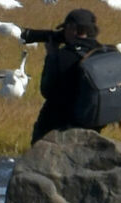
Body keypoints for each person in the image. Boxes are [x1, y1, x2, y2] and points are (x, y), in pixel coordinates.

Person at [20, 8, 106, 145]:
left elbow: (47, 90)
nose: (62, 34)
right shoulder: (103, 53)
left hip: (61, 125)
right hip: (93, 123)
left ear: (73, 29)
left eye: (65, 29)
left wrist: (52, 56)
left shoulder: (64, 56)